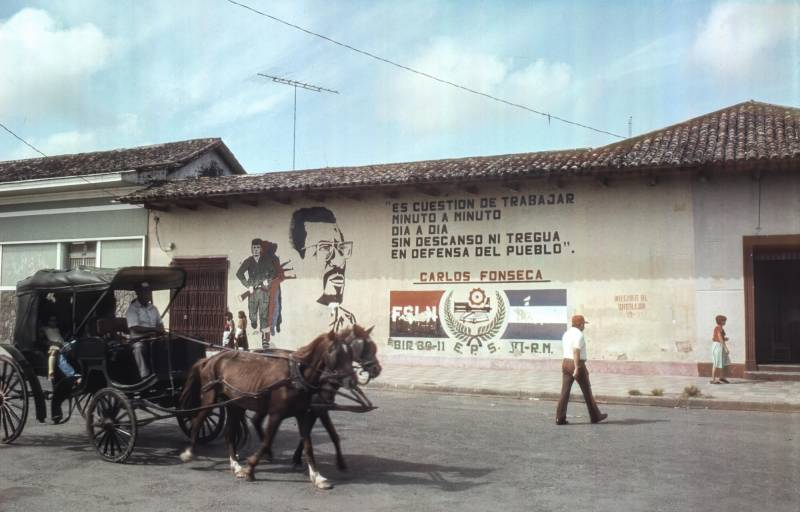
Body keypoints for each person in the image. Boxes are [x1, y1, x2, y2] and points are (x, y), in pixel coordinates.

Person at [289, 207, 356, 331]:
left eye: (341, 248)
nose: (338, 261)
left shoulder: (348, 322)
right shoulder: (292, 324)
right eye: (325, 248)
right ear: (299, 258)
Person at [555, 314, 608, 425]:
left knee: (564, 391)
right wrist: (577, 368)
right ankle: (595, 416)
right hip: (576, 363)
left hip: (565, 363)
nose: (584, 326)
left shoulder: (566, 333)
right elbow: (576, 351)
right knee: (587, 391)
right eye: (584, 324)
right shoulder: (579, 334)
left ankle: (560, 418)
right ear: (580, 324)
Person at [236, 238, 277, 345]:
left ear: (261, 249)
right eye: (254, 248)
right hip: (252, 292)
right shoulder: (248, 261)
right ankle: (254, 321)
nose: (255, 250)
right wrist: (248, 285)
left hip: (264, 292)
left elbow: (274, 272)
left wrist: (268, 281)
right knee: (252, 314)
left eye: (257, 247)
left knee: (264, 316)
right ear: (251, 249)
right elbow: (239, 273)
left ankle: (264, 339)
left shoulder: (267, 260)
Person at [126, 281, 164, 379]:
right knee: (138, 348)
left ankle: (164, 372)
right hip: (138, 340)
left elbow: (160, 325)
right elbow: (134, 328)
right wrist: (153, 329)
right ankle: (144, 375)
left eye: (148, 291)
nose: (148, 294)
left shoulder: (153, 308)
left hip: (153, 338)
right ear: (138, 293)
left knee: (168, 345)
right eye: (145, 292)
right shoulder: (132, 308)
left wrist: (159, 330)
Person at [710, 314, 731, 384]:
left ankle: (721, 377)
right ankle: (713, 379)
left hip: (719, 345)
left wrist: (725, 338)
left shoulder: (720, 328)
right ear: (720, 321)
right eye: (724, 320)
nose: (725, 322)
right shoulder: (718, 328)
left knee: (723, 361)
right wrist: (726, 348)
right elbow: (720, 339)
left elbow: (720, 338)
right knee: (716, 362)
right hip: (718, 346)